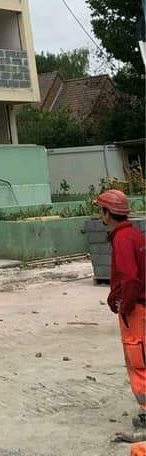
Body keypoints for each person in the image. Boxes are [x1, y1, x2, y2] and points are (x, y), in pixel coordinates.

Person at [97, 189, 146, 444]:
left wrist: (123, 306)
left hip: (136, 311)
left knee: (139, 363)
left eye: (101, 211)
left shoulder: (122, 239)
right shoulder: (134, 235)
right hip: (140, 307)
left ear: (107, 213)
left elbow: (130, 279)